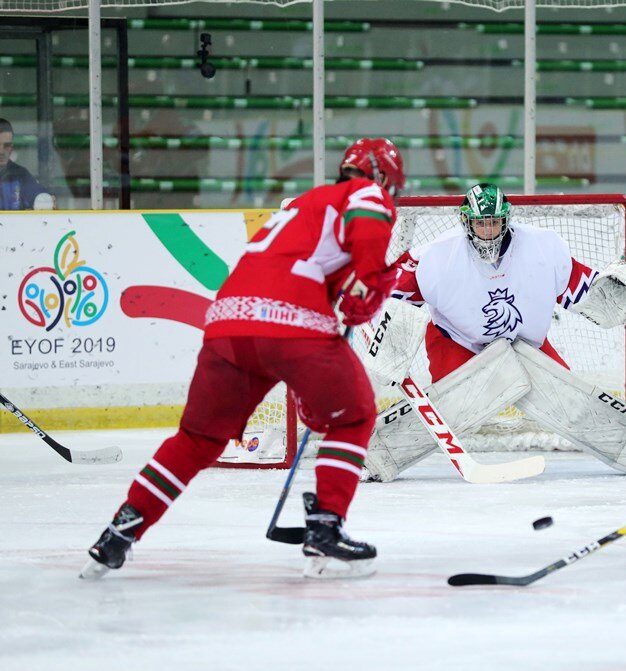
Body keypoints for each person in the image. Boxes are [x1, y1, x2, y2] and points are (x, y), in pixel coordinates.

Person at [80, 137, 406, 580]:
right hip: (290, 325)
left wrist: (347, 302)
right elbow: (365, 237)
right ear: (382, 176)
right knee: (354, 416)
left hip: (228, 324)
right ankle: (326, 525)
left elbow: (300, 274)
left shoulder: (305, 204)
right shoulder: (366, 193)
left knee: (196, 439)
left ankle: (119, 532)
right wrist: (371, 283)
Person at [363, 182, 626, 481]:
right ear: (466, 221)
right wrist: (385, 328)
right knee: (450, 410)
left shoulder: (542, 248)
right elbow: (390, 298)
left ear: (507, 219)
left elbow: (581, 289)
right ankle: (374, 456)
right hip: (458, 340)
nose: (488, 230)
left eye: (494, 222)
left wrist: (610, 295)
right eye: (481, 223)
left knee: (570, 402)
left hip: (525, 343)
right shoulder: (436, 257)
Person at [0, 118, 55, 211]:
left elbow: (40, 196)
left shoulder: (20, 175)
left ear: (11, 148)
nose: (1, 151)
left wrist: (47, 199)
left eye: (6, 146)